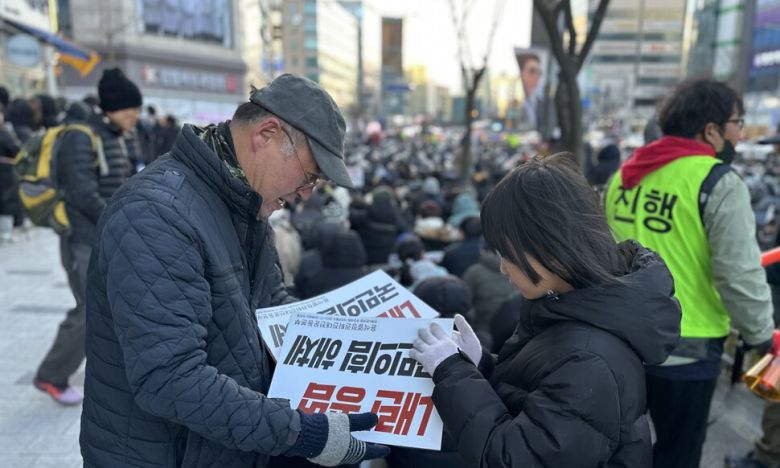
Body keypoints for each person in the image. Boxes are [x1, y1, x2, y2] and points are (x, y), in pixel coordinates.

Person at [79, 74, 389, 467]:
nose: (306, 193)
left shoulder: (244, 205)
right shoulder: (155, 215)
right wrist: (301, 432)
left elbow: (271, 308)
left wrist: (355, 334)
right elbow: (170, 378)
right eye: (310, 175)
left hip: (218, 448)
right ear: (267, 134)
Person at [409, 153, 681, 467]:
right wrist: (481, 365)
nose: (503, 268)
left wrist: (453, 374)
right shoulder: (571, 309)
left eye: (506, 253)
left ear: (548, 247)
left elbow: (511, 458)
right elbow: (536, 400)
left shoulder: (590, 361)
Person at [604, 78, 775, 468]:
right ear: (711, 130)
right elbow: (738, 273)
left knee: (618, 452)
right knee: (677, 455)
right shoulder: (717, 181)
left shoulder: (623, 179)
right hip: (688, 351)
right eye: (738, 122)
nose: (739, 132)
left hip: (619, 345)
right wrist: (761, 335)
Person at [33, 68, 140, 406]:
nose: (136, 117)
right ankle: (51, 376)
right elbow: (82, 193)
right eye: (131, 110)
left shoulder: (113, 135)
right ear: (113, 107)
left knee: (107, 307)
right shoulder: (82, 137)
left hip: (102, 236)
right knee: (88, 311)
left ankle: (110, 373)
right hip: (82, 238)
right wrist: (117, 218)